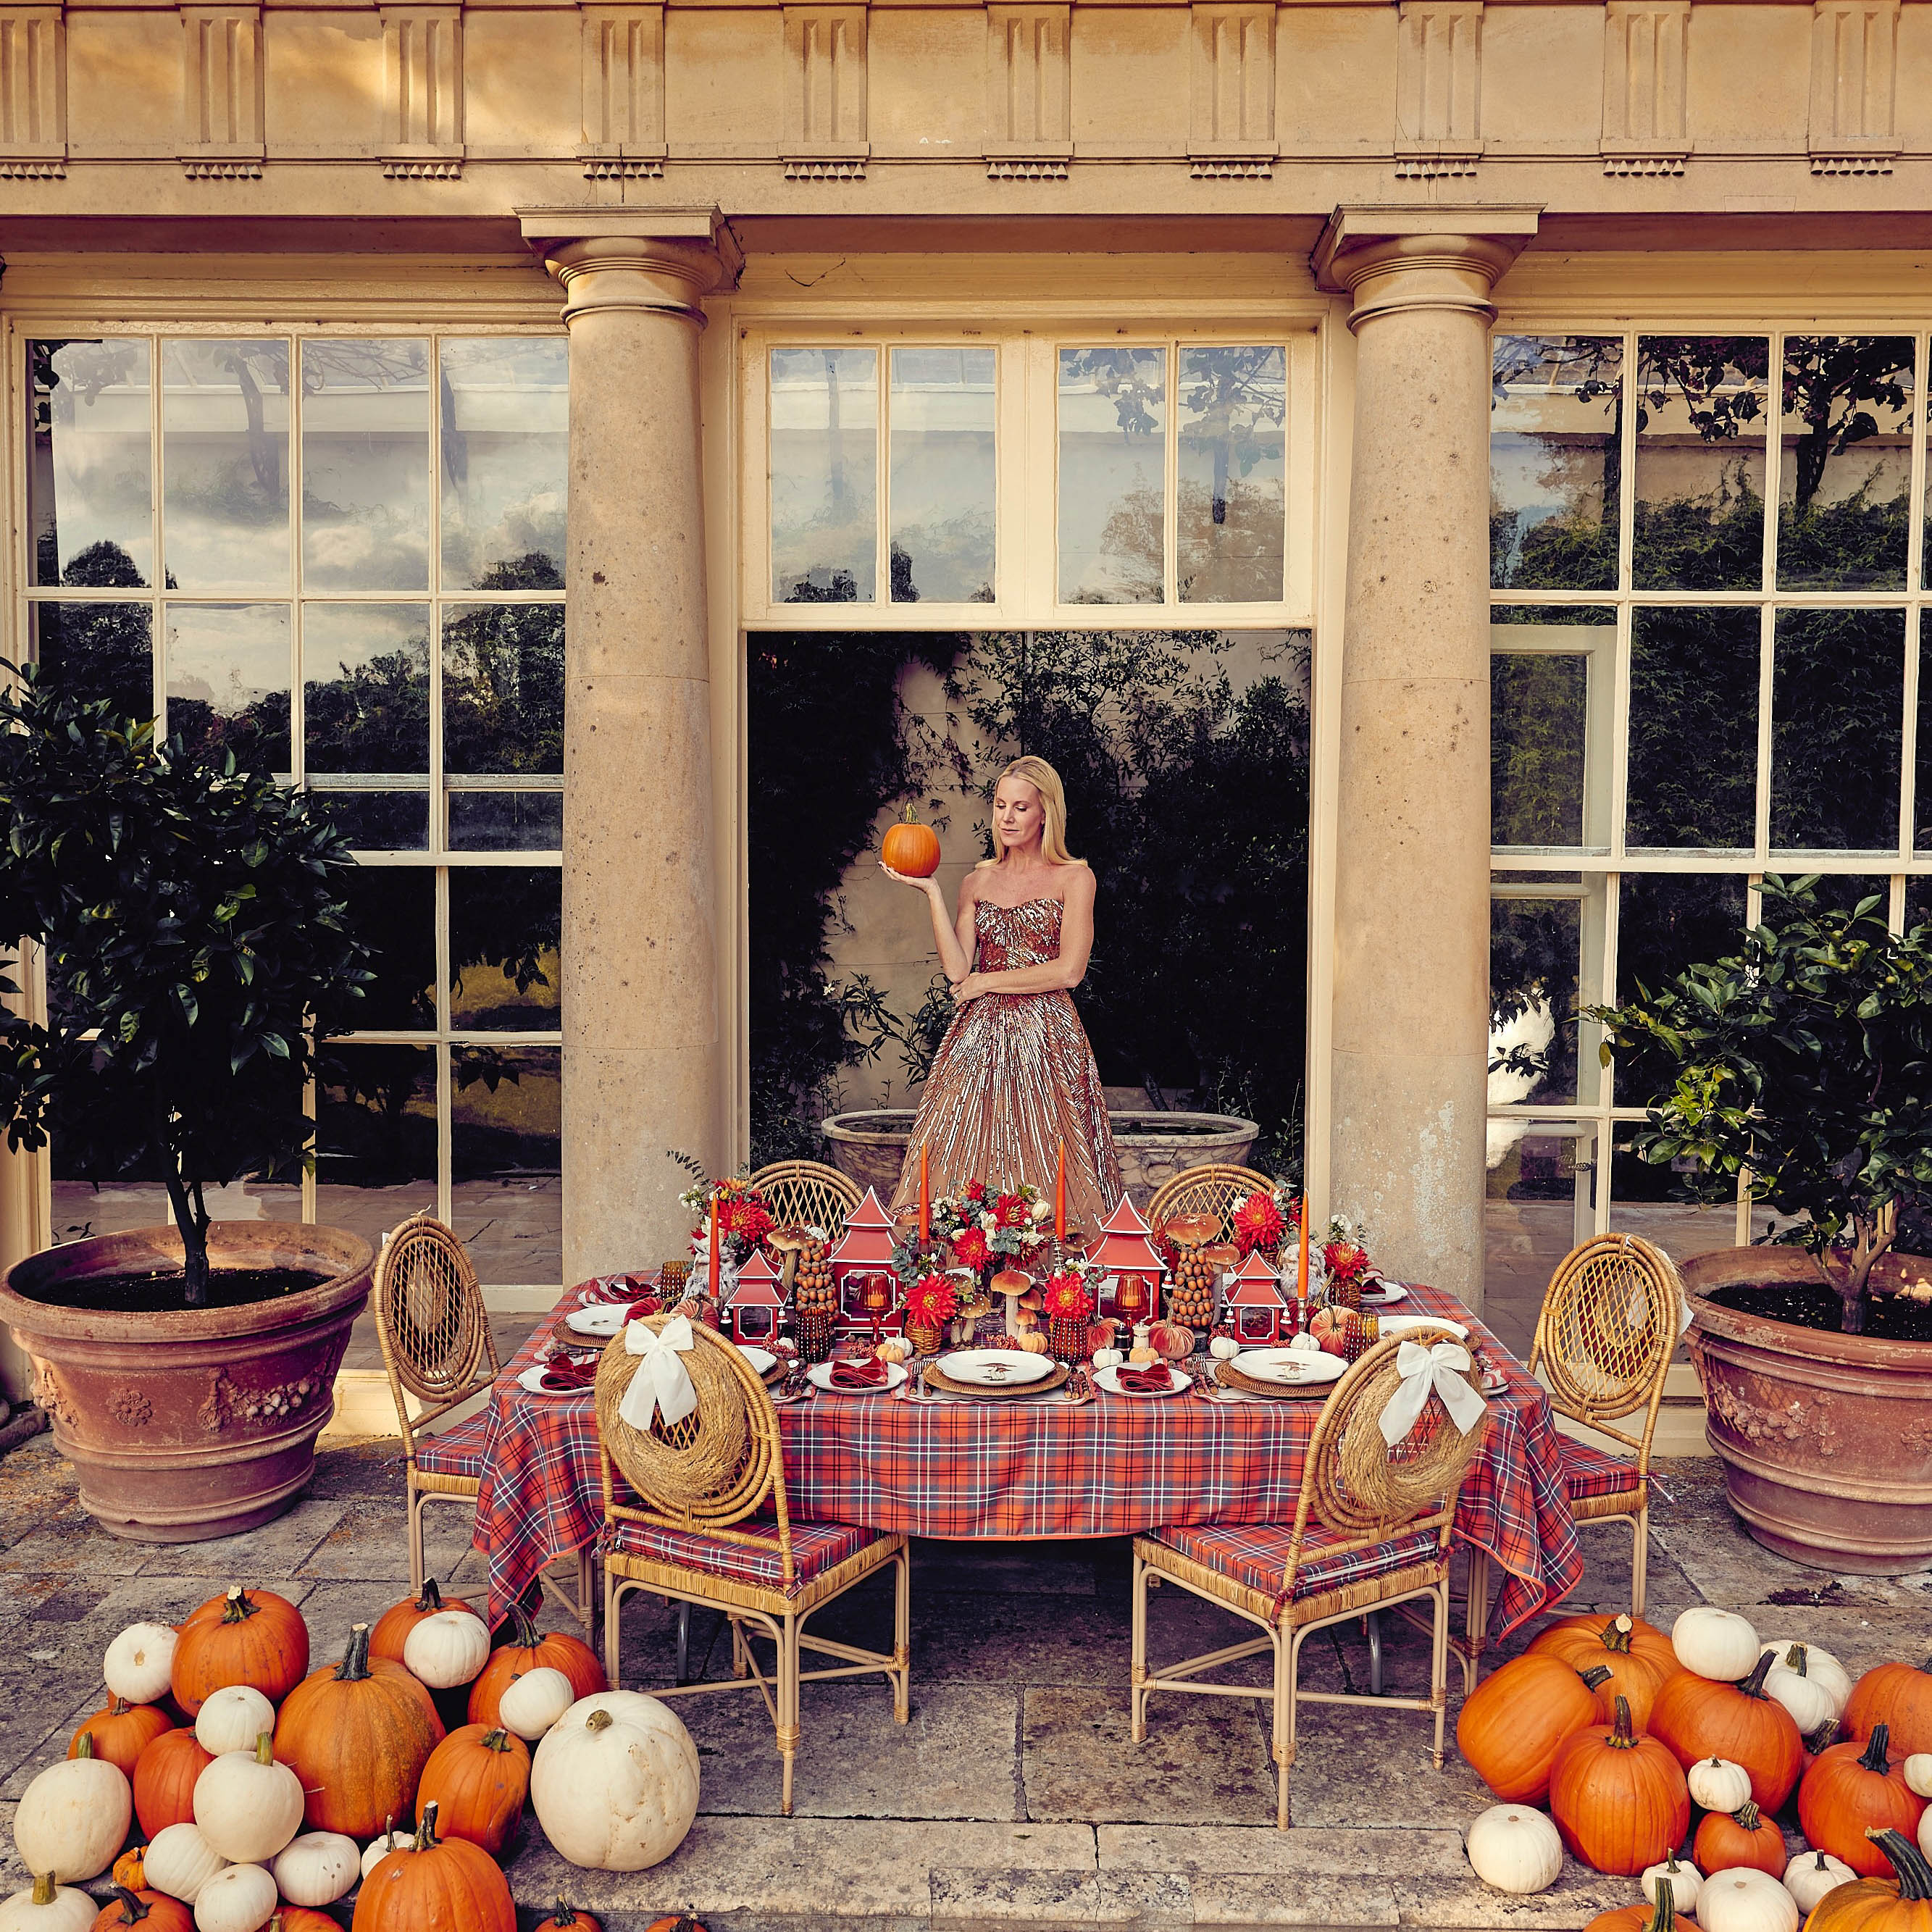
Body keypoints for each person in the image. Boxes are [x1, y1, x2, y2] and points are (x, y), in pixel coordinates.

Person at [881, 754, 1124, 1241]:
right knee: (963, 1145)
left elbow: (1069, 971)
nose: (1007, 818)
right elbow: (958, 970)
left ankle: (1054, 1270)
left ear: (1044, 814)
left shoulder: (1075, 877)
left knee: (1050, 1151)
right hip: (979, 1041)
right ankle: (967, 1262)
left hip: (1047, 1037)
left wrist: (986, 982)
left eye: (1020, 807)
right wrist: (932, 892)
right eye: (999, 805)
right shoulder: (977, 881)